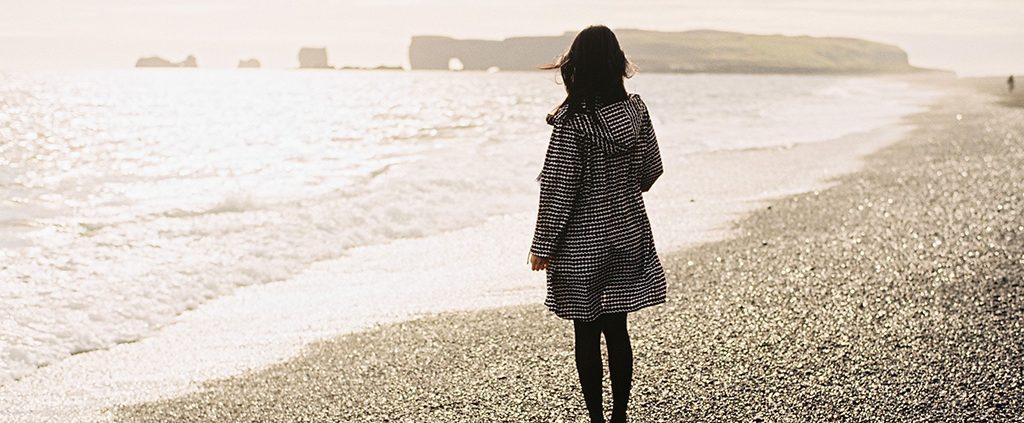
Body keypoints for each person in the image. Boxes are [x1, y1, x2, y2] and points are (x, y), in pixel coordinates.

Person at [528, 25, 666, 423]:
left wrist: (543, 245)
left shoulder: (573, 122)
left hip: (581, 242)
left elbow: (558, 190)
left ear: (577, 66)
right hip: (627, 231)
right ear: (615, 63)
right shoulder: (637, 112)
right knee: (617, 329)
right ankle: (620, 416)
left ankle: (597, 420)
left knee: (585, 333)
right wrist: (623, 187)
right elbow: (650, 172)